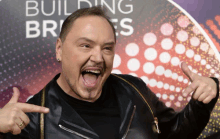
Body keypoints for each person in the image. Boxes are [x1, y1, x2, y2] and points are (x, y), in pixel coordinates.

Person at [0, 6, 219, 139]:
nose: (98, 57)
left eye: (107, 48)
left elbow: (175, 135)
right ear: (59, 49)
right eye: (86, 45)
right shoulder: (31, 120)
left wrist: (202, 100)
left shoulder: (134, 89)